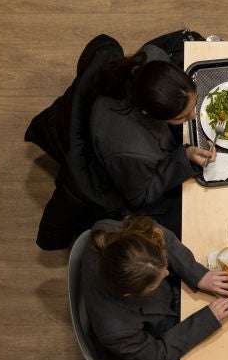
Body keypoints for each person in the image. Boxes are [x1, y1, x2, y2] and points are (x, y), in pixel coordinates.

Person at [81, 216, 228, 360]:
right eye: (154, 285)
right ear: (131, 294)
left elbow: (161, 237)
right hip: (157, 336)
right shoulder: (116, 330)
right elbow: (156, 355)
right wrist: (206, 320)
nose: (167, 273)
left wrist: (198, 275)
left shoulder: (110, 233)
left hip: (168, 299)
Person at [90, 43, 215, 235]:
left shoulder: (153, 58)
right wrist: (184, 157)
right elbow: (140, 197)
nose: (194, 116)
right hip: (130, 191)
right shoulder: (134, 152)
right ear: (148, 113)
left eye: (194, 104)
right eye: (182, 117)